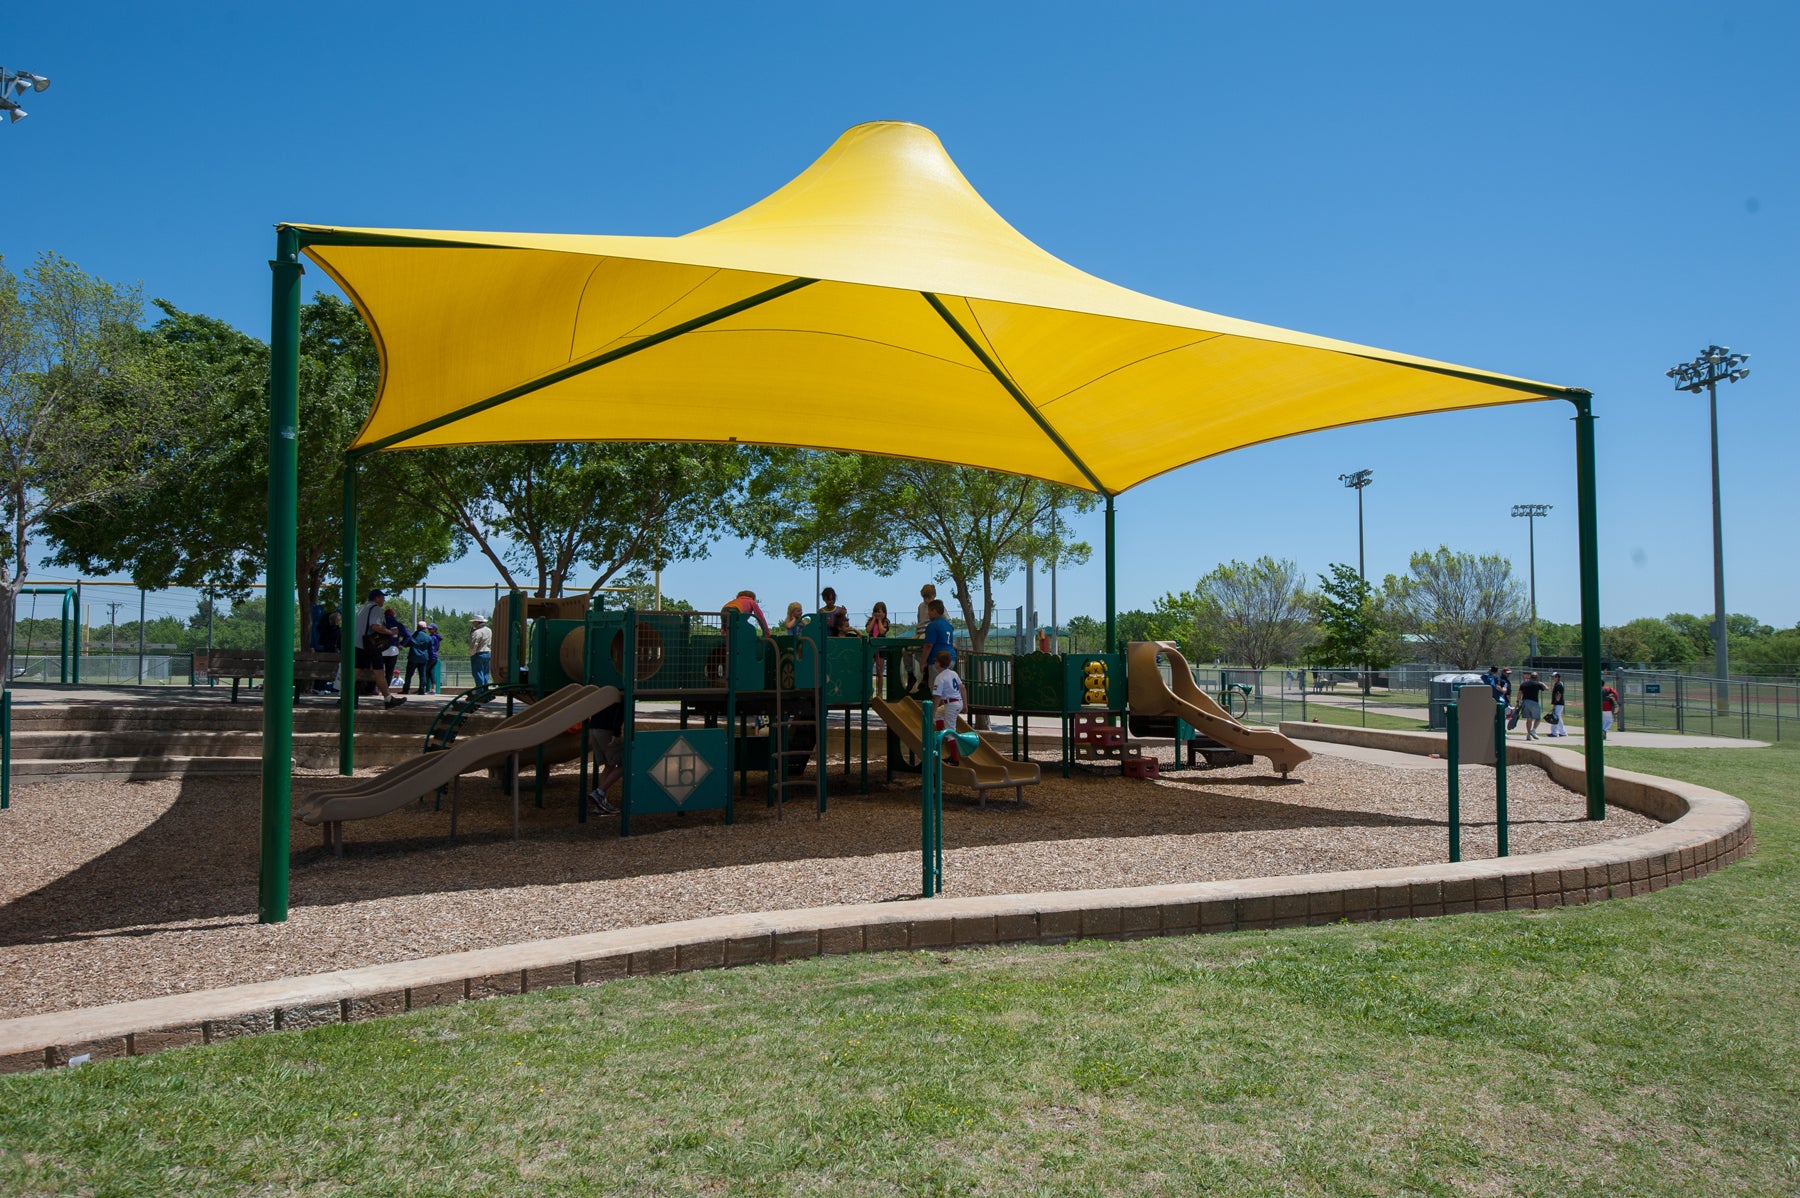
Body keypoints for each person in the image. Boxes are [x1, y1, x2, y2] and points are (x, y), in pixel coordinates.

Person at [351, 589, 405, 708]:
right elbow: (375, 626)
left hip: (358, 645)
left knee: (355, 672)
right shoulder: (375, 608)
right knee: (379, 672)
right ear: (377, 598)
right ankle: (388, 699)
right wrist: (390, 632)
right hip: (370, 647)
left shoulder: (362, 609)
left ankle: (346, 697)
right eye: (382, 597)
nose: (384, 600)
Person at [585, 695, 626, 815]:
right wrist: (616, 733)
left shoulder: (604, 690)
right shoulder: (621, 692)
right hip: (606, 730)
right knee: (626, 763)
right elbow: (620, 711)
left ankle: (600, 804)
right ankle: (599, 792)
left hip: (593, 728)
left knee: (609, 766)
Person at [931, 649, 966, 763]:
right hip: (957, 702)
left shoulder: (940, 678)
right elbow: (962, 688)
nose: (934, 663)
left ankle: (955, 759)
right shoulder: (953, 673)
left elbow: (937, 697)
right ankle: (940, 736)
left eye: (935, 661)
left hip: (951, 704)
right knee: (939, 713)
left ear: (938, 663)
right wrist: (965, 705)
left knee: (950, 731)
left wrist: (932, 711)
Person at [921, 598, 955, 690]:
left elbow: (928, 645)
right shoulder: (948, 626)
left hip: (938, 660)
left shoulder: (932, 626)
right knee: (946, 687)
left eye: (929, 611)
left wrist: (923, 663)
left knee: (936, 688)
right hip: (951, 658)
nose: (928, 613)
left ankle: (936, 701)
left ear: (934, 611)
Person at [314, 607, 342, 694]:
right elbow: (340, 644)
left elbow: (321, 640)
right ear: (338, 620)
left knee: (322, 668)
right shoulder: (338, 631)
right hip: (333, 653)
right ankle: (333, 688)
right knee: (332, 669)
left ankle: (318, 687)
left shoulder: (324, 630)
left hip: (324, 651)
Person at [403, 621, 433, 694]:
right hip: (423, 658)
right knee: (422, 674)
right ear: (425, 628)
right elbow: (430, 649)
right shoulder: (428, 638)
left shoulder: (413, 636)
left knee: (409, 674)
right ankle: (421, 690)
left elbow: (406, 644)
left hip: (413, 657)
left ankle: (406, 689)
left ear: (418, 627)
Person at [866, 601, 890, 688]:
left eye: (879, 612)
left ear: (884, 613)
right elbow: (868, 630)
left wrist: (879, 620)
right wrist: (873, 619)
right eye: (875, 612)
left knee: (879, 671)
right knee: (868, 670)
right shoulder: (870, 621)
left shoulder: (886, 621)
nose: (877, 614)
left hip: (881, 648)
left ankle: (879, 692)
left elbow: (882, 631)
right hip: (871, 648)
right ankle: (869, 691)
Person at [1517, 671, 1547, 740]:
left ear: (1530, 676)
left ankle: (1528, 734)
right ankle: (1533, 730)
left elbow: (1519, 693)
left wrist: (1518, 702)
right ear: (1537, 677)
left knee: (1529, 719)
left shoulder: (1524, 683)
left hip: (1525, 702)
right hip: (1534, 702)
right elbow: (1547, 688)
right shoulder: (1538, 684)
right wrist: (1542, 683)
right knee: (1538, 718)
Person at [468, 614, 493, 689]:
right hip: (487, 653)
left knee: (478, 673)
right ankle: (485, 690)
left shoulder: (477, 632)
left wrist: (471, 653)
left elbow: (474, 645)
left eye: (474, 622)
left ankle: (480, 691)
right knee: (485, 673)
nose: (473, 623)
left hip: (478, 654)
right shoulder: (489, 630)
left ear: (477, 622)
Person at [382, 608, 405, 688]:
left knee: (378, 670)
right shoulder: (397, 624)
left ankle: (376, 687)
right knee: (389, 671)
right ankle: (386, 688)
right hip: (393, 650)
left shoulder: (381, 622)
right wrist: (400, 643)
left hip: (381, 649)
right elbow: (408, 636)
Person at [1548, 672, 1568, 737]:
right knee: (1558, 717)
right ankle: (1563, 732)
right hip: (1558, 703)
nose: (1552, 678)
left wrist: (1555, 704)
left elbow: (1559, 695)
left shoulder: (1559, 684)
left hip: (1558, 703)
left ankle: (1554, 733)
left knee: (1555, 717)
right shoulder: (1557, 684)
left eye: (1553, 677)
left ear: (1557, 677)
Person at [427, 622, 443, 693]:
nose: (429, 630)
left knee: (425, 671)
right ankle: (433, 689)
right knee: (431, 672)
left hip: (430, 656)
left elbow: (429, 646)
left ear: (435, 629)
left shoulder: (432, 637)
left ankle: (423, 688)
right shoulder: (437, 637)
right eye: (428, 629)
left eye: (431, 629)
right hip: (435, 656)